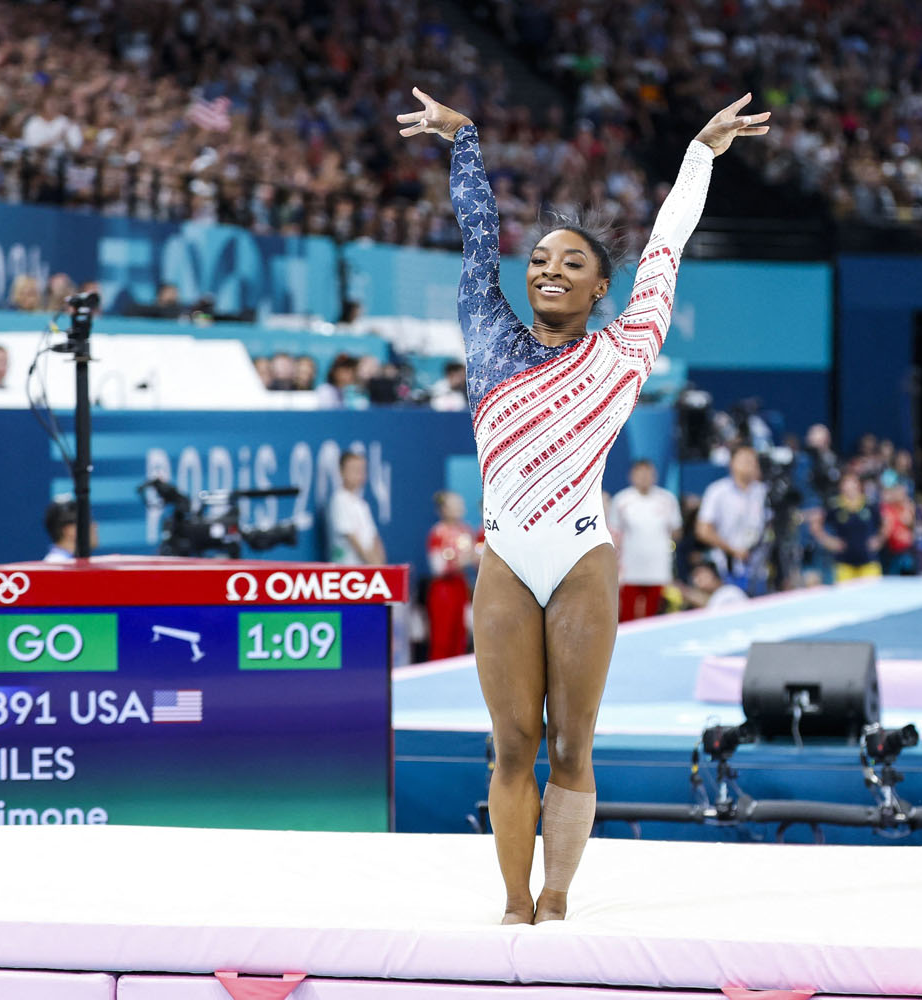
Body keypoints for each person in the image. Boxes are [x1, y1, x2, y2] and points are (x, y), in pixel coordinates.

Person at [398, 85, 765, 924]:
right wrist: (465, 139)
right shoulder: (488, 332)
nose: (549, 270)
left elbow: (666, 247)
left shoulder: (625, 350)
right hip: (506, 558)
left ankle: (557, 898)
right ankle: (514, 903)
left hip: (579, 558)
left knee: (570, 743)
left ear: (601, 287)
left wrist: (699, 155)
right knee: (511, 744)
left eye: (571, 264)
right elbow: (477, 235)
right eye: (540, 260)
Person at [609, 459, 682, 622]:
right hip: (630, 567)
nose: (644, 477)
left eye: (648, 473)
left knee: (653, 616)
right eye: (640, 473)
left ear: (654, 476)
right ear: (631, 476)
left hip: (658, 566)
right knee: (627, 614)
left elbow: (676, 531)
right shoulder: (621, 500)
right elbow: (614, 533)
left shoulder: (667, 499)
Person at [695, 444, 769, 596]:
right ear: (732, 463)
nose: (749, 464)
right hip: (725, 566)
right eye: (745, 460)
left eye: (753, 460)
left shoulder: (763, 492)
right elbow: (703, 530)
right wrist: (732, 550)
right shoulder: (717, 491)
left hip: (759, 568)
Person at [426, 491, 483, 659]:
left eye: (461, 504)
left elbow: (476, 559)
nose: (460, 508)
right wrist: (464, 560)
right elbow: (438, 568)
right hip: (443, 591)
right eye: (455, 504)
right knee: (442, 639)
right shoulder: (437, 533)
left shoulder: (466, 531)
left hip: (460, 587)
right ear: (444, 509)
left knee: (459, 638)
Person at [809, 470, 885, 583]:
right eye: (846, 483)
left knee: (871, 592)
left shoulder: (870, 504)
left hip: (869, 562)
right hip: (844, 564)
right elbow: (815, 524)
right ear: (841, 486)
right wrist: (829, 542)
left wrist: (879, 539)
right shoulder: (835, 506)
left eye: (852, 482)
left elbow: (885, 522)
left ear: (859, 485)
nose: (849, 487)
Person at [327, 451, 385, 565]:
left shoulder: (362, 505)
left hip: (367, 568)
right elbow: (352, 538)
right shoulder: (339, 500)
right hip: (347, 568)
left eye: (361, 470)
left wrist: (381, 566)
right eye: (353, 470)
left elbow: (374, 538)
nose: (359, 474)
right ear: (341, 472)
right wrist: (374, 564)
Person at [42, 497, 98, 561]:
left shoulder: (63, 562)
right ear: (70, 530)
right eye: (89, 521)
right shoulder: (57, 563)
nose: (95, 526)